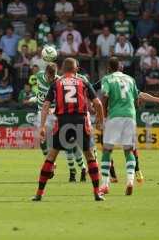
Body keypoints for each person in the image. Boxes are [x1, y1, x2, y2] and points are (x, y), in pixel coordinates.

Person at [32, 58, 105, 202]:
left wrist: (41, 126)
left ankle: (39, 193)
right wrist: (100, 122)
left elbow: (45, 106)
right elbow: (98, 103)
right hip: (80, 121)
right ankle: (97, 193)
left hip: (63, 121)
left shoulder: (56, 83)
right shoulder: (83, 82)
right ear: (76, 69)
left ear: (62, 70)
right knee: (90, 156)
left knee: (51, 157)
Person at [99, 57, 159, 196]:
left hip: (115, 116)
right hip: (130, 116)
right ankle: (130, 181)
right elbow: (139, 97)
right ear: (119, 67)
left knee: (107, 150)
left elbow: (105, 95)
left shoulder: (107, 79)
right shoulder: (130, 79)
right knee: (128, 150)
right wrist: (158, 99)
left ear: (109, 68)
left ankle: (105, 184)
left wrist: (103, 116)